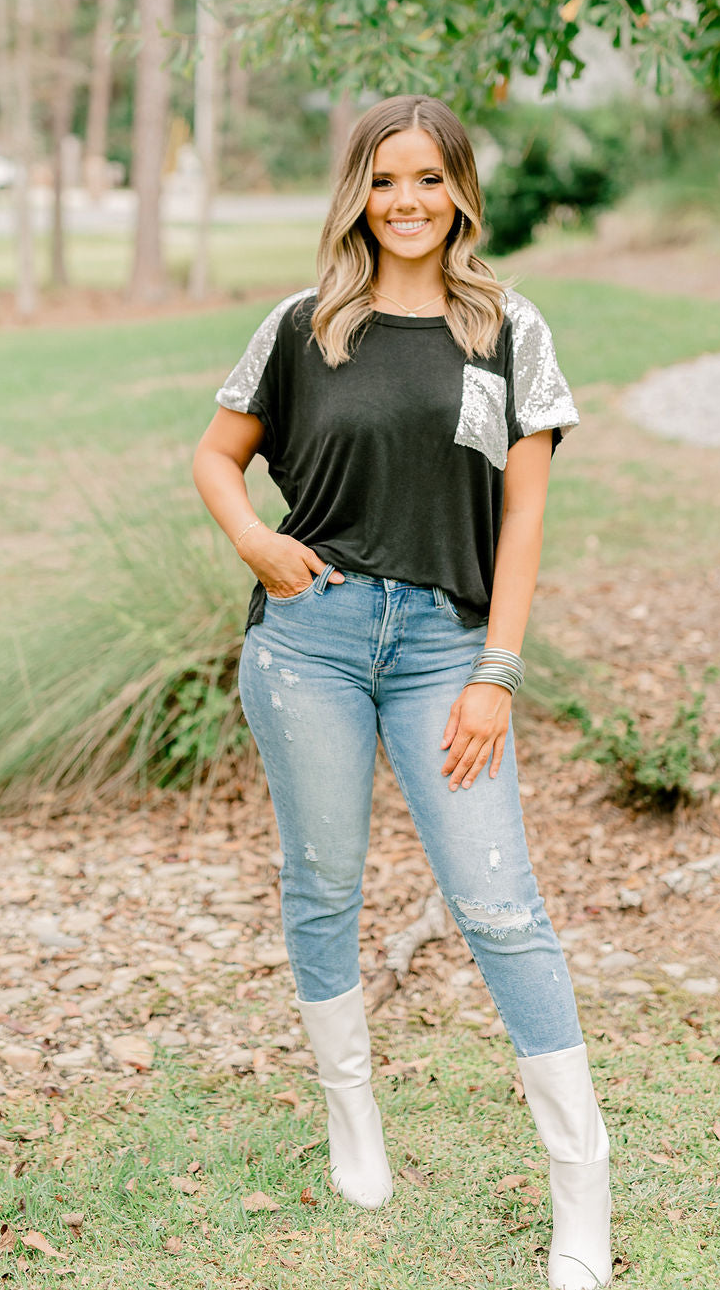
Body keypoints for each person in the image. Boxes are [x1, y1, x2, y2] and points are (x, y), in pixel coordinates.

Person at [191, 94, 612, 1290]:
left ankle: (580, 1185)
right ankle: (351, 1116)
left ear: (460, 190)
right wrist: (254, 543)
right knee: (322, 883)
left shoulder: (508, 328)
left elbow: (524, 512)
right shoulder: (301, 325)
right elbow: (216, 457)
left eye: (429, 178)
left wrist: (496, 670)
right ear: (357, 195)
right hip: (308, 641)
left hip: (445, 647)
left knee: (500, 908)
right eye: (385, 181)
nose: (408, 201)